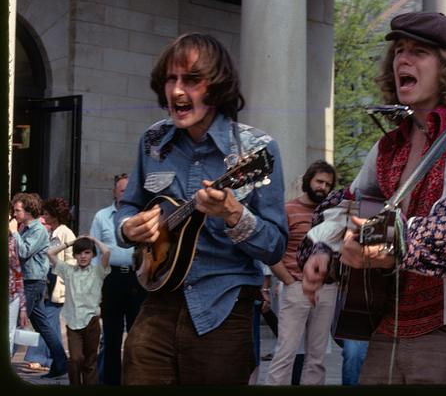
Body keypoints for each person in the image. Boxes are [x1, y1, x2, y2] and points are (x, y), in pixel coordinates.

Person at [300, 11, 446, 385]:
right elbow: (340, 206)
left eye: (418, 52)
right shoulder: (388, 146)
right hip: (385, 322)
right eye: (399, 51)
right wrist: (321, 249)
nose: (402, 60)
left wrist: (382, 243)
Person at [114, 32, 288, 385]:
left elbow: (275, 247)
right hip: (156, 301)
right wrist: (127, 227)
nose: (178, 91)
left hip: (223, 308)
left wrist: (234, 215)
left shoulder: (258, 150)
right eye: (171, 79)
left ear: (217, 87)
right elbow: (130, 203)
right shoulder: (152, 141)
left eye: (192, 80)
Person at [266, 160, 337, 385]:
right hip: (296, 286)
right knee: (285, 354)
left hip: (326, 288)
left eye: (328, 184)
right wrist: (287, 280)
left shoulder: (332, 214)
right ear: (308, 180)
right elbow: (271, 250)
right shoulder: (287, 210)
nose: (323, 187)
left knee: (317, 358)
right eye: (319, 181)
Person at [89, 172, 146, 385]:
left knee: (137, 335)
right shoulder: (102, 216)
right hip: (111, 280)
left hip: (137, 279)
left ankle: (134, 379)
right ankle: (111, 381)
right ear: (114, 192)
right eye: (123, 190)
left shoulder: (141, 218)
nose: (126, 194)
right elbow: (94, 253)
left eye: (130, 190)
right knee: (111, 336)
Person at [10, 192, 69, 379]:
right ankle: (61, 363)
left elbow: (24, 251)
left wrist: (12, 232)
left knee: (13, 323)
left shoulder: (38, 230)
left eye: (17, 210)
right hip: (27, 281)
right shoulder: (26, 229)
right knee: (43, 326)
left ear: (28, 211)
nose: (14, 213)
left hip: (33, 282)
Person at [47, 235, 111, 384]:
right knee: (75, 359)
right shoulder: (67, 270)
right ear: (75, 255)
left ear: (93, 254)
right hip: (73, 322)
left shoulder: (98, 271)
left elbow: (107, 252)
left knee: (90, 363)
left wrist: (93, 240)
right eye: (79, 253)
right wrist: (71, 242)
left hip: (92, 322)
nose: (83, 256)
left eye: (87, 252)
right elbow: (50, 253)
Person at [8, 219, 28, 357]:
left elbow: (17, 272)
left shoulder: (12, 241)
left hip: (12, 294)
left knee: (9, 335)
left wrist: (23, 308)